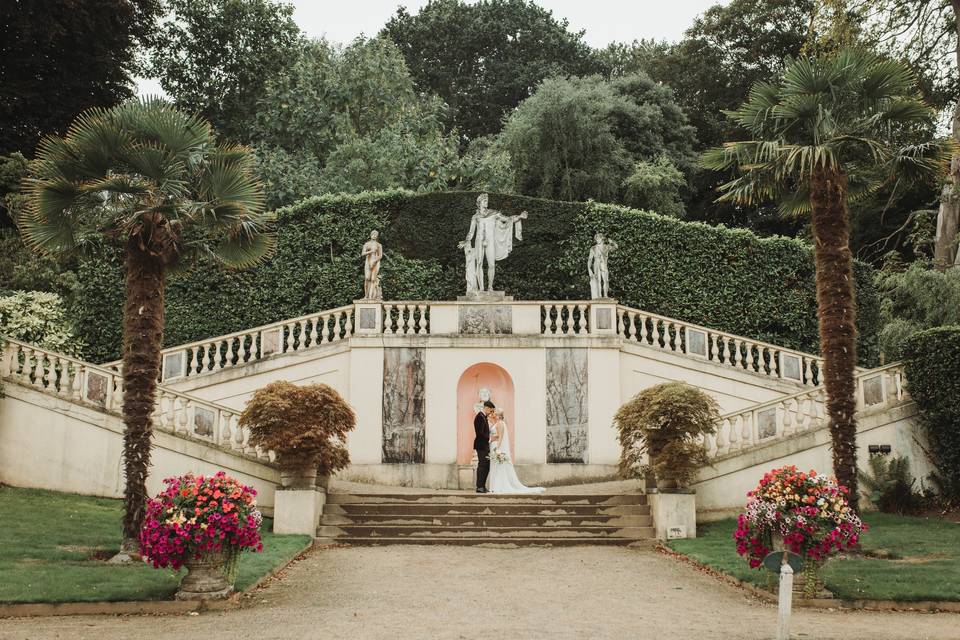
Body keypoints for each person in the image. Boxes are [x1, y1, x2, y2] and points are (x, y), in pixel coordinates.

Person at [488, 409, 545, 494]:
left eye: (495, 413)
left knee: (499, 467)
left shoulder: (500, 423)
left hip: (496, 446)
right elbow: (494, 434)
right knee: (495, 466)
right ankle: (493, 486)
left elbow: (500, 437)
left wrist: (498, 448)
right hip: (493, 445)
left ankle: (498, 486)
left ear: (499, 415)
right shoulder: (496, 422)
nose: (494, 414)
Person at [473, 400, 495, 493]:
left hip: (485, 445)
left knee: (487, 466)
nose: (491, 413)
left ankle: (482, 485)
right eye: (491, 411)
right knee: (482, 465)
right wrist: (490, 438)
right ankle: (479, 487)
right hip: (481, 445)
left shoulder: (483, 417)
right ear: (486, 408)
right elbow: (480, 433)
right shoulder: (479, 417)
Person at [360, 230, 383, 300]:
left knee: (373, 279)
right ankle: (366, 295)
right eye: (373, 234)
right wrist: (370, 251)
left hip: (375, 262)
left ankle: (371, 296)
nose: (374, 236)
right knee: (367, 278)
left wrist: (375, 261)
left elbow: (380, 255)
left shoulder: (379, 245)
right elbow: (363, 253)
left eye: (376, 235)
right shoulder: (367, 244)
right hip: (368, 261)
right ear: (371, 235)